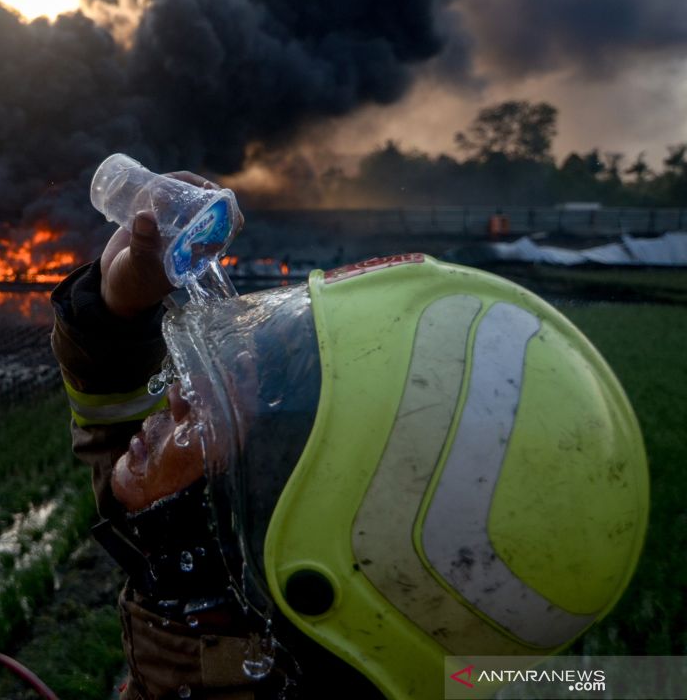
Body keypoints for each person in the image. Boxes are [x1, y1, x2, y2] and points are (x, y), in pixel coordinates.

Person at [50, 174, 648, 699]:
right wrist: (115, 317)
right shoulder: (222, 608)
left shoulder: (207, 635)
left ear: (303, 568)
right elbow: (174, 501)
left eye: (218, 418)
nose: (177, 394)